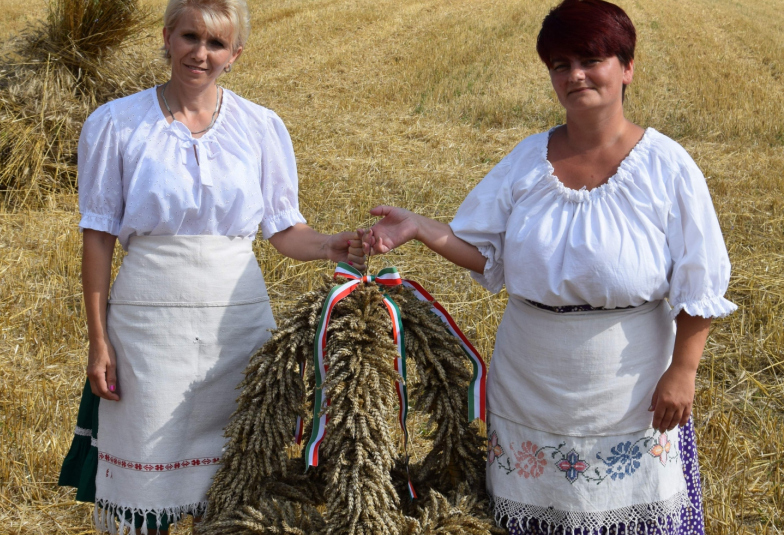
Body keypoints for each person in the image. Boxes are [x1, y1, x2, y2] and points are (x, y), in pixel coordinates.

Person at [362, 0, 735, 533]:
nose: (575, 75)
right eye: (560, 64)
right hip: (530, 380)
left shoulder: (667, 165)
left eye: (591, 58)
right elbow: (485, 255)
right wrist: (420, 227)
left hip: (629, 389)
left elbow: (700, 280)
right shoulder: (524, 162)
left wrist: (683, 372)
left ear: (627, 67)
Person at [57, 0, 364, 533]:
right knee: (142, 485)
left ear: (235, 54)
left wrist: (332, 245)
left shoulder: (262, 127)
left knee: (234, 486)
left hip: (238, 326)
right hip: (148, 324)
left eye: (216, 44)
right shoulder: (115, 124)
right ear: (167, 37)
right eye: (190, 37)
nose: (200, 53)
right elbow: (98, 239)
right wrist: (98, 340)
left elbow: (285, 231)